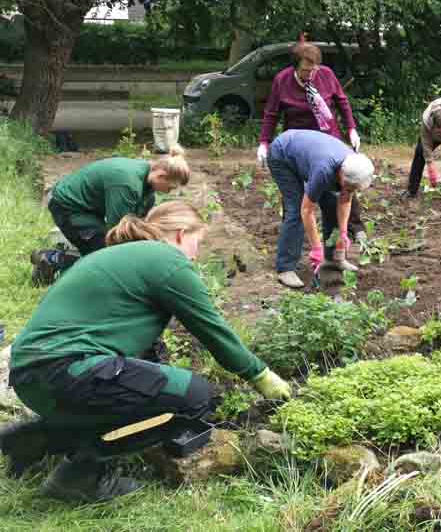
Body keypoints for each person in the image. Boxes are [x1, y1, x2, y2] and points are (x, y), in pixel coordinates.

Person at [5, 201, 291, 503]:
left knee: (145, 392)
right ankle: (81, 474)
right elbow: (213, 331)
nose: (196, 254)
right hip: (69, 372)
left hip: (32, 376)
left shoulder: (119, 257)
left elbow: (142, 356)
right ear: (181, 234)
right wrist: (260, 374)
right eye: (198, 242)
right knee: (194, 399)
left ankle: (42, 438)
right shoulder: (166, 260)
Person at [256, 35, 366, 239]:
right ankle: (293, 229)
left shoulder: (326, 75)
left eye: (314, 68)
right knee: (293, 188)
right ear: (295, 67)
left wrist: (351, 128)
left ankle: (355, 227)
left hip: (329, 137)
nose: (311, 73)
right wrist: (264, 142)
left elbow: (342, 101)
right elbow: (271, 114)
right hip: (299, 142)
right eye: (306, 70)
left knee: (347, 178)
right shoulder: (283, 80)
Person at [31, 146, 191, 285]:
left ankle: (65, 260)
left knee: (114, 256)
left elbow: (141, 227)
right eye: (169, 188)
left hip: (91, 210)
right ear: (161, 176)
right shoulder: (127, 184)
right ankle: (52, 259)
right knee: (106, 260)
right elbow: (117, 235)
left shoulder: (148, 190)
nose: (168, 192)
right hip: (68, 206)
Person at [267, 129, 375, 288]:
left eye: (354, 188)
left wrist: (343, 233)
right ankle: (286, 268)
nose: (349, 189)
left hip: (308, 154)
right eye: (348, 185)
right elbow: (307, 210)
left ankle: (334, 259)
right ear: (341, 175)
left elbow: (345, 199)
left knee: (332, 205)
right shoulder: (324, 171)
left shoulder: (353, 166)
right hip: (283, 155)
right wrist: (317, 249)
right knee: (296, 210)